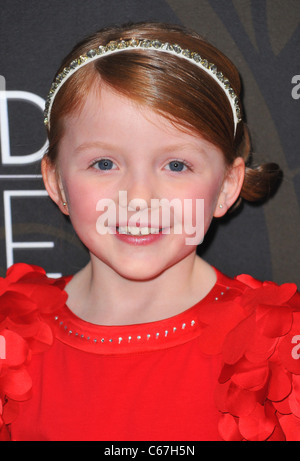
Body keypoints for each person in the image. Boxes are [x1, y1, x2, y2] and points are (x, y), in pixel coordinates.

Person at [1, 21, 299, 442]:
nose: (138, 198)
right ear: (56, 183)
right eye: (104, 164)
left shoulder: (284, 349)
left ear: (227, 187)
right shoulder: (8, 338)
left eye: (176, 165)